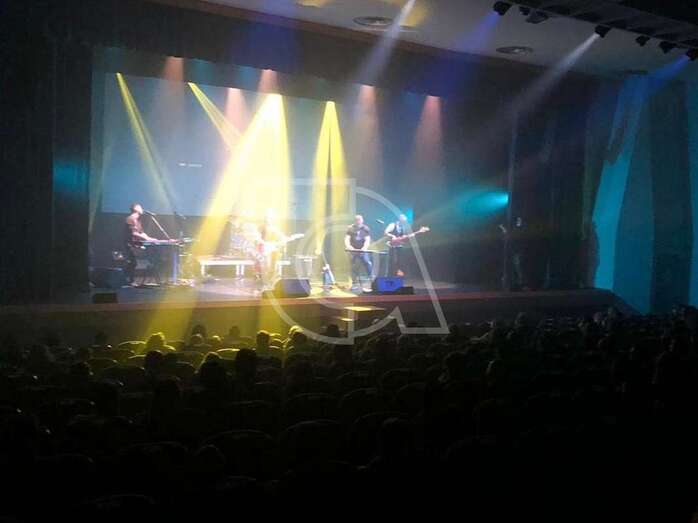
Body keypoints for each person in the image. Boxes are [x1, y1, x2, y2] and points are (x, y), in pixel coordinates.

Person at [123, 203, 157, 284]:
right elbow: (134, 233)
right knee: (132, 263)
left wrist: (151, 239)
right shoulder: (130, 219)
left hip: (136, 244)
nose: (142, 209)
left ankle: (130, 281)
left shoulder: (138, 221)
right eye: (140, 207)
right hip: (130, 245)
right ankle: (127, 281)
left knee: (133, 263)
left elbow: (141, 233)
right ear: (136, 209)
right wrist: (147, 239)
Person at [345, 214, 372, 291]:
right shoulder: (350, 228)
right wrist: (349, 246)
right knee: (354, 267)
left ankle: (371, 281)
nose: (358, 221)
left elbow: (367, 239)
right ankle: (354, 283)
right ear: (355, 221)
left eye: (359, 220)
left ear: (362, 220)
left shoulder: (365, 228)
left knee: (368, 263)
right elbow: (347, 238)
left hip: (363, 250)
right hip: (353, 251)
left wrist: (365, 247)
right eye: (357, 220)